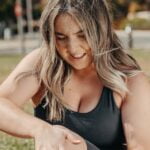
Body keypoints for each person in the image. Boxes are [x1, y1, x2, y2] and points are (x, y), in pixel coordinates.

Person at [0, 0, 150, 150]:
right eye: (61, 37)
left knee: (64, 142)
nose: (73, 48)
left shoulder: (130, 79)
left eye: (83, 35)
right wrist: (40, 129)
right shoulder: (43, 64)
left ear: (101, 31)